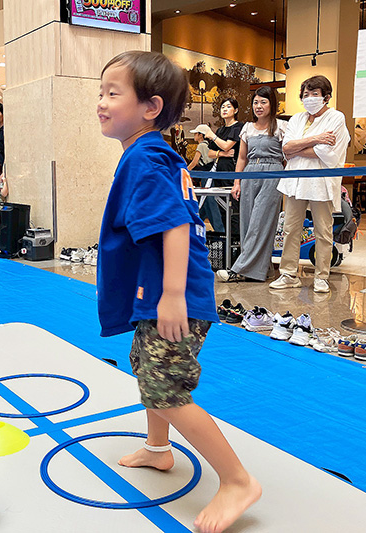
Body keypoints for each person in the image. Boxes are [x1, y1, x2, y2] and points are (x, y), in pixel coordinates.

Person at [96, 50, 260, 533]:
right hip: (163, 290)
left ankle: (235, 480)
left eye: (112, 93)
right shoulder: (149, 153)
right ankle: (158, 448)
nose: (101, 103)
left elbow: (171, 227)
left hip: (173, 294)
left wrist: (171, 297)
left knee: (166, 388)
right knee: (148, 370)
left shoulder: (145, 157)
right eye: (100, 93)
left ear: (151, 106)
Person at [270, 75, 350, 294]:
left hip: (320, 183)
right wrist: (316, 139)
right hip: (295, 181)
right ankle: (288, 274)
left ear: (326, 96)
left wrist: (299, 147)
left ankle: (321, 276)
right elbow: (286, 149)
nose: (310, 98)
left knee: (323, 231)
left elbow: (328, 154)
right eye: (306, 95)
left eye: (315, 94)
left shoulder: (336, 117)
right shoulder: (297, 118)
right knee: (290, 228)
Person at [217, 86, 286, 283]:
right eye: (256, 102)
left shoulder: (281, 126)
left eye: (263, 102)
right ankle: (261, 270)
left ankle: (240, 269)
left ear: (272, 104)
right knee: (247, 223)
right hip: (249, 173)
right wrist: (236, 182)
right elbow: (241, 158)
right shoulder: (247, 128)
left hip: (272, 173)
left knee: (261, 222)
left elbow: (287, 156)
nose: (258, 106)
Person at [201, 98, 244, 234]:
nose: (224, 109)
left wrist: (213, 137)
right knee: (222, 210)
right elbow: (210, 153)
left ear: (235, 110)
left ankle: (236, 244)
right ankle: (225, 240)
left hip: (232, 173)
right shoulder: (220, 130)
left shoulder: (238, 127)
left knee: (234, 210)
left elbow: (227, 145)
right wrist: (222, 154)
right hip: (218, 173)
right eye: (222, 107)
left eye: (228, 107)